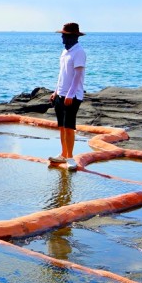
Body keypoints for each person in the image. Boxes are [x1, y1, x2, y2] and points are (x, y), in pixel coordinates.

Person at [48, 22, 87, 171]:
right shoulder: (65, 52)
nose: (62, 38)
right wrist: (56, 91)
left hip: (73, 95)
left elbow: (77, 76)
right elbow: (62, 74)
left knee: (69, 127)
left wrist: (70, 94)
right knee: (62, 126)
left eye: (65, 35)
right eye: (62, 35)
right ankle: (63, 154)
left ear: (74, 37)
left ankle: (70, 157)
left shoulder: (79, 52)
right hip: (61, 94)